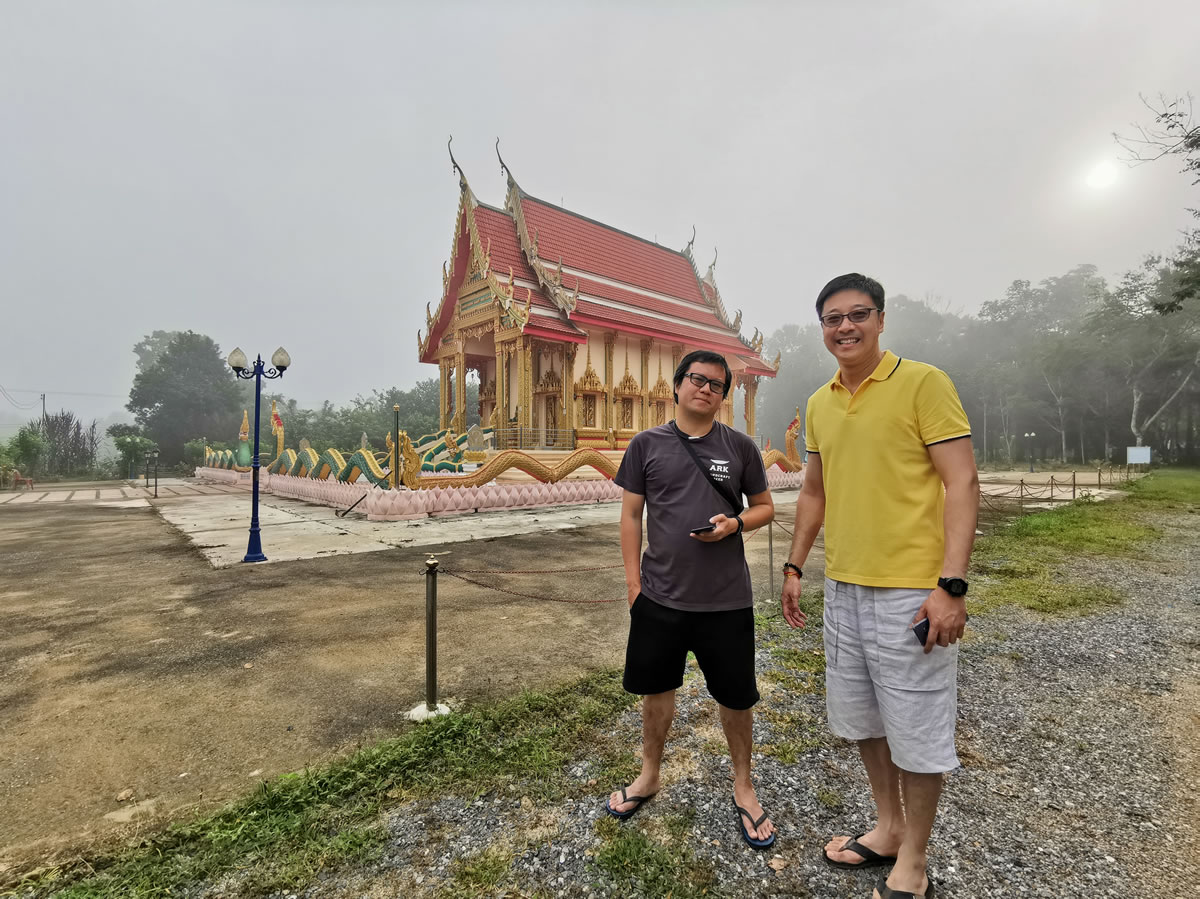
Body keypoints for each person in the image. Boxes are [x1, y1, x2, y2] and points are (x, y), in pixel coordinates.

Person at [780, 273, 978, 899]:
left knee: (916, 727)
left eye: (858, 314)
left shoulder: (923, 383)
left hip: (911, 591)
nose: (845, 327)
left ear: (881, 319)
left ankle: (913, 861)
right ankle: (888, 827)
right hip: (845, 588)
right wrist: (794, 566)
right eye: (832, 318)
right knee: (863, 718)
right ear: (822, 328)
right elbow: (814, 491)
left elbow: (961, 482)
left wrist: (951, 585)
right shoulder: (820, 402)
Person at [604, 349, 787, 849]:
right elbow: (631, 516)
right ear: (678, 384)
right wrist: (633, 585)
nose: (706, 389)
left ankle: (743, 785)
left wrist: (736, 523)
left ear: (723, 395)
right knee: (656, 691)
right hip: (660, 596)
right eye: (697, 379)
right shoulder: (646, 445)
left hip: (726, 600)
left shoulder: (740, 448)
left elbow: (766, 507)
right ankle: (649, 774)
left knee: (736, 697)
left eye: (716, 385)